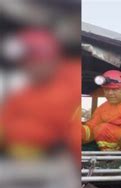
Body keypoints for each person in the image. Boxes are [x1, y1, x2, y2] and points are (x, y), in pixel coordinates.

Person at [0, 28, 80, 160]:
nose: (29, 67)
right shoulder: (24, 93)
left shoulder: (72, 80)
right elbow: (6, 120)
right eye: (25, 63)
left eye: (33, 61)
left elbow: (72, 133)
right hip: (23, 161)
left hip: (57, 161)